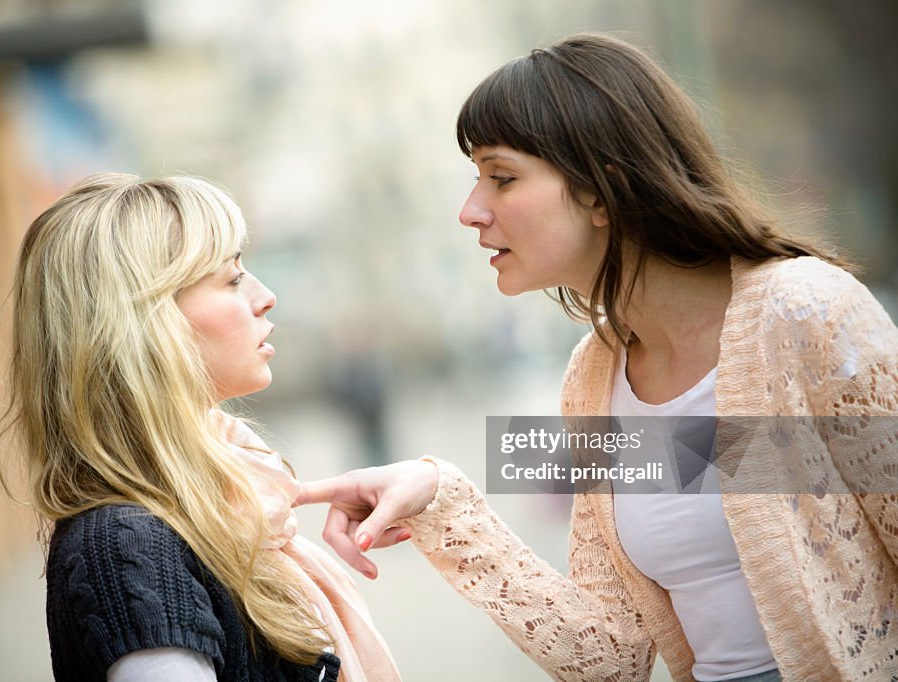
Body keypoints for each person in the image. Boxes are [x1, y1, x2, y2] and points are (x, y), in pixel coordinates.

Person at [295, 33, 898, 682]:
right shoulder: (595, 376)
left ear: (602, 192)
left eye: (502, 178)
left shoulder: (805, 312)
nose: (471, 212)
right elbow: (610, 654)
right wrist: (442, 502)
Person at [0, 173, 400, 682]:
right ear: (143, 322)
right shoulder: (127, 548)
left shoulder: (224, 499)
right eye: (231, 279)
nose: (266, 296)